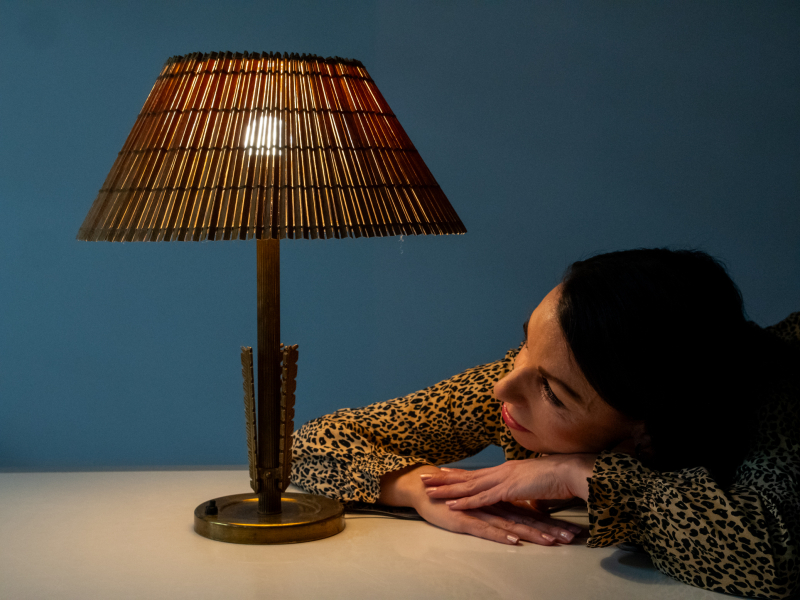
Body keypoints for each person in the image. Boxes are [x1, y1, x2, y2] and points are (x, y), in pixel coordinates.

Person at [291, 248, 799, 599]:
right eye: (527, 343)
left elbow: (774, 558)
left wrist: (581, 473)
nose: (503, 387)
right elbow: (306, 444)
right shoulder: (524, 379)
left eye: (553, 393)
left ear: (646, 428)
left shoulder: (777, 396)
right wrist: (423, 489)